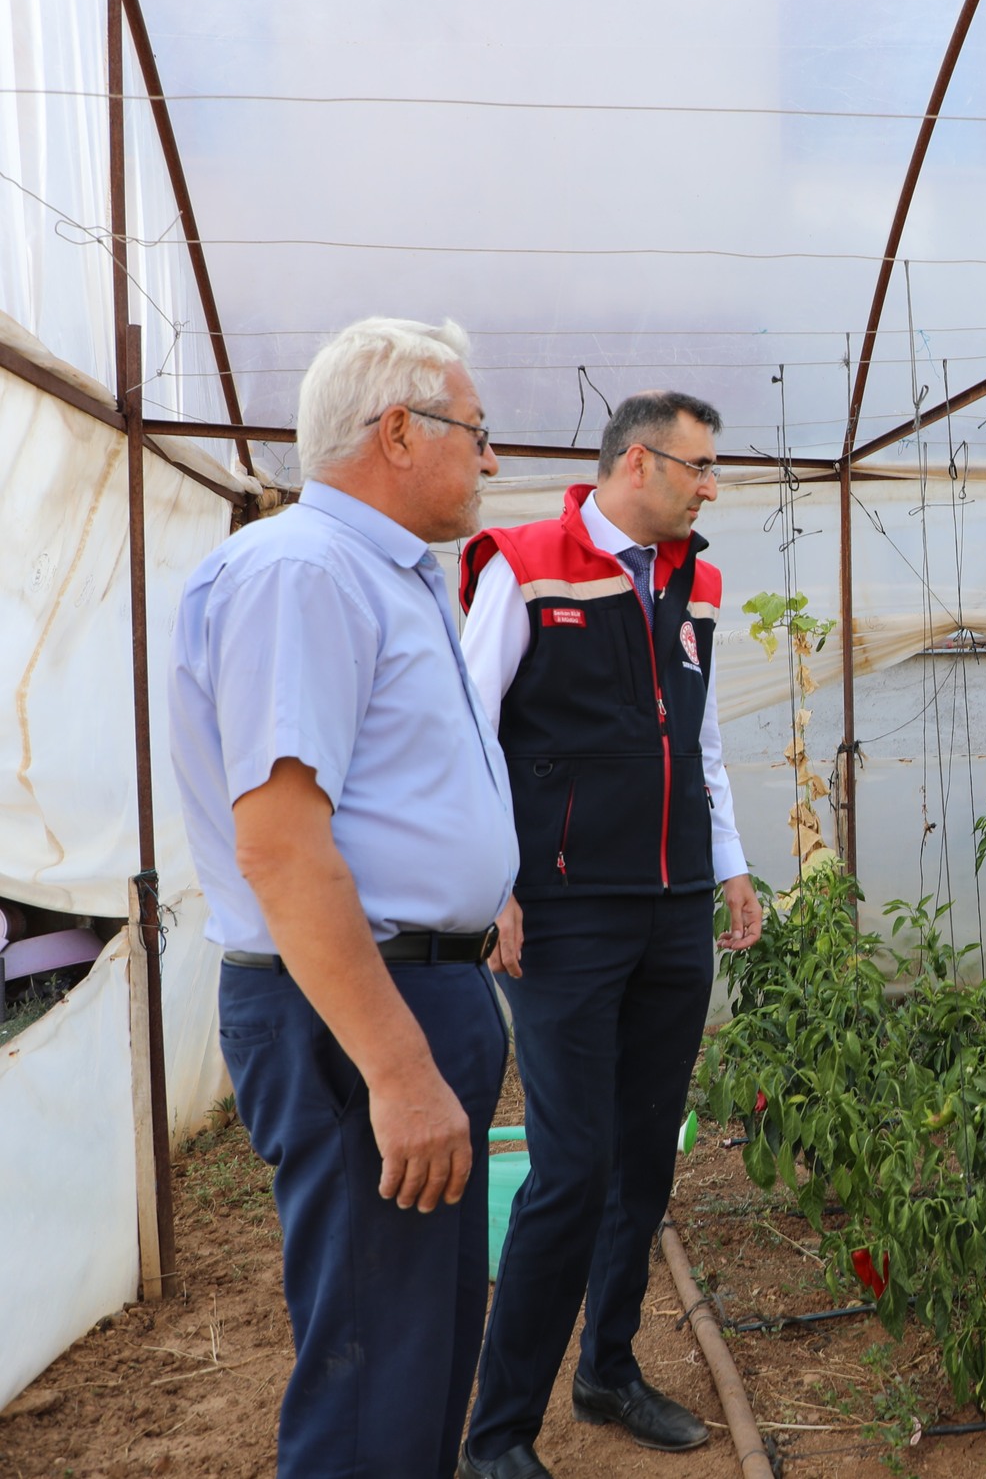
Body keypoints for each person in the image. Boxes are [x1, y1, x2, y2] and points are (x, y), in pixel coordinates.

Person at [168, 318, 517, 1479]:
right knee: (376, 1366)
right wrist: (400, 1067)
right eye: (474, 430)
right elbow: (281, 846)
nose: (490, 457)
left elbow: (385, 798)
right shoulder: (303, 574)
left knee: (418, 1353)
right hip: (360, 1009)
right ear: (400, 431)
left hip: (410, 989)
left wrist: (480, 903)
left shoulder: (384, 575)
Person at [457, 390, 763, 1479]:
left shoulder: (698, 583)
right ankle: (498, 1435)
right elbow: (466, 730)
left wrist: (727, 866)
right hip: (563, 917)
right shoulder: (526, 564)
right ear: (637, 465)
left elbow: (703, 739)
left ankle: (608, 1369)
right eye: (698, 466)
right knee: (569, 1168)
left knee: (642, 1158)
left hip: (672, 910)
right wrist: (491, 883)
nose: (711, 485)